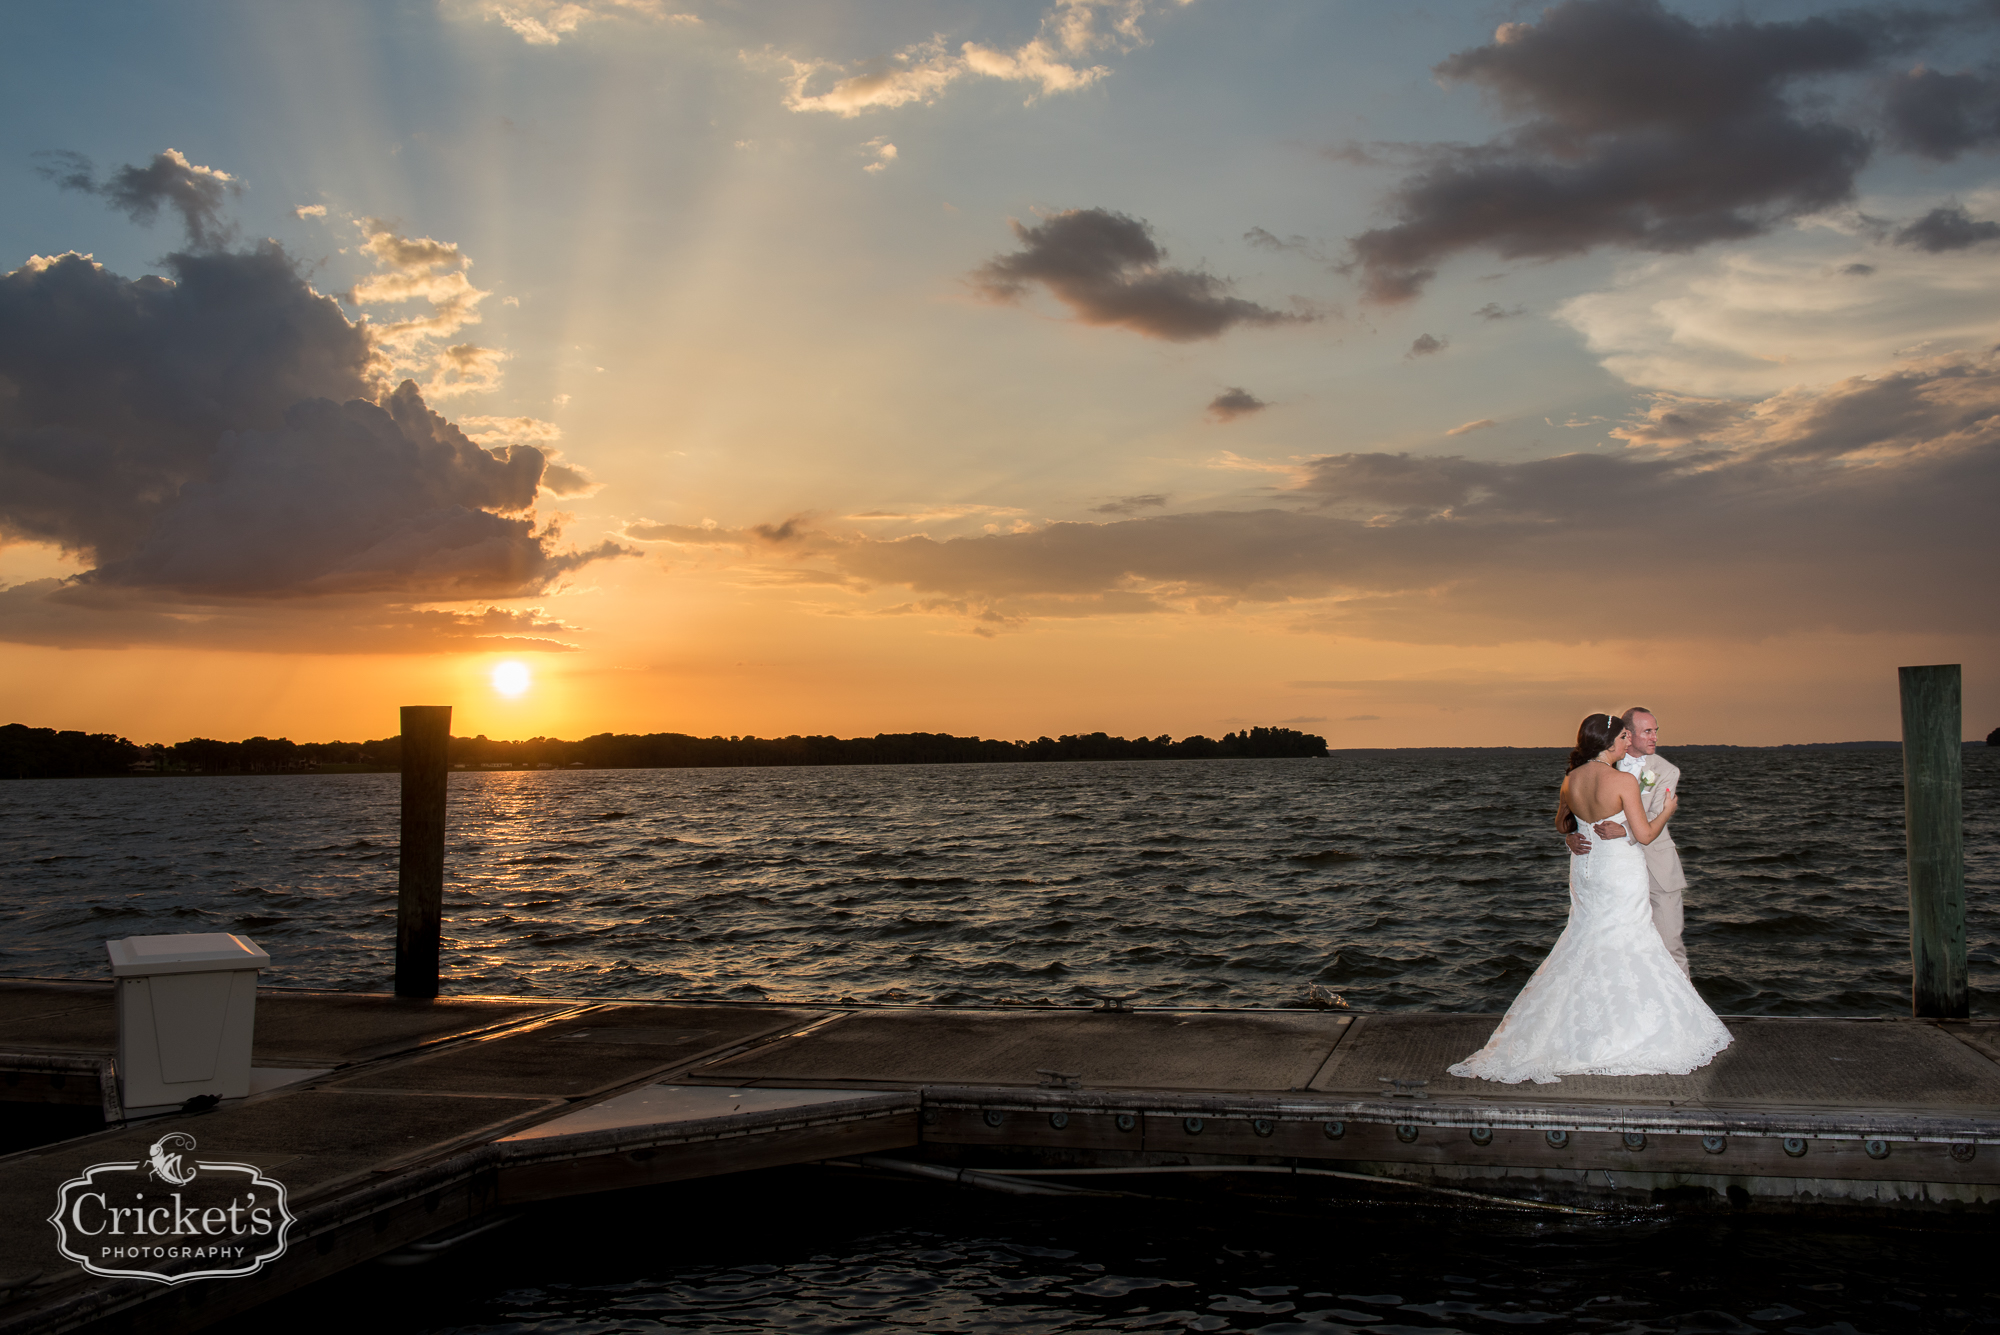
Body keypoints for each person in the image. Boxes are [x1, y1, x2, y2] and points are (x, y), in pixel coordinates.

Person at [1448, 713, 1730, 1084]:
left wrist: (1570, 837)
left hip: (1586, 872)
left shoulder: (1571, 779)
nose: (1627, 745)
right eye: (1623, 739)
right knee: (1629, 941)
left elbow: (1561, 821)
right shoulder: (1623, 780)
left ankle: (1580, 1025)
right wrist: (1666, 812)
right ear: (1610, 743)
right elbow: (1644, 836)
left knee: (1586, 940)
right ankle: (1628, 1028)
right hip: (1618, 872)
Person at [1559, 707, 1689, 977]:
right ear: (1626, 734)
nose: (1654, 737)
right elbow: (1576, 817)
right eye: (1647, 732)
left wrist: (1624, 830)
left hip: (1656, 870)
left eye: (1656, 731)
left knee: (1668, 947)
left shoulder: (1666, 771)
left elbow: (1649, 816)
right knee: (1615, 944)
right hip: (1617, 873)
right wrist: (1572, 838)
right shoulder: (1611, 769)